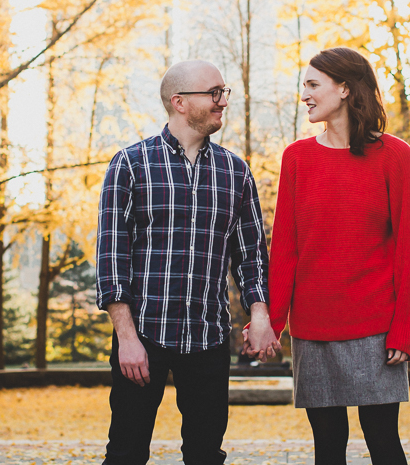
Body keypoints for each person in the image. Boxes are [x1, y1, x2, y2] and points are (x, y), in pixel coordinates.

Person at [97, 59, 280, 465]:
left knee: (205, 455)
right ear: (179, 102)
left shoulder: (236, 172)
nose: (223, 102)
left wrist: (261, 315)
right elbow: (112, 262)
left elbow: (251, 257)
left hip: (209, 338)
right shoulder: (130, 165)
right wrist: (127, 339)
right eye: (213, 93)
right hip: (143, 336)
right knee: (125, 454)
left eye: (224, 92)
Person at [268, 47, 410, 465]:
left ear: (343, 88)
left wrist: (403, 330)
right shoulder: (297, 159)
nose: (304, 94)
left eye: (312, 84)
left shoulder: (394, 155)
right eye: (304, 85)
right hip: (313, 330)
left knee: (383, 441)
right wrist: (272, 323)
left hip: (376, 330)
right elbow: (285, 250)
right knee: (328, 446)